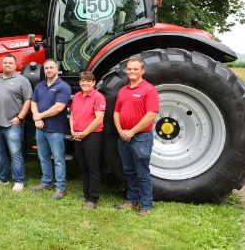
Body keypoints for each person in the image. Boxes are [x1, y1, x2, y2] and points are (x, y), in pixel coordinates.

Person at [113, 57, 159, 216]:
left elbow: (151, 115)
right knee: (129, 171)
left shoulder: (149, 89)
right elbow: (116, 112)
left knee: (142, 172)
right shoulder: (123, 90)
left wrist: (131, 132)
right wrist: (120, 130)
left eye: (135, 69)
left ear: (142, 71)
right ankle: (132, 201)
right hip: (123, 137)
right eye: (129, 69)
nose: (132, 72)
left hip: (140, 137)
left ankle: (146, 205)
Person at [0, 54, 32, 191]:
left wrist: (20, 117)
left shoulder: (22, 80)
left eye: (10, 63)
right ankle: (2, 178)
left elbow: (28, 100)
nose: (7, 65)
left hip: (12, 123)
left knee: (15, 152)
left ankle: (19, 181)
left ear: (15, 65)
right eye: (5, 62)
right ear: (2, 64)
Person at [29, 60, 71, 200]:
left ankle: (60, 188)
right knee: (43, 157)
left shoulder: (63, 87)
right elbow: (33, 102)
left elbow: (58, 107)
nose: (48, 70)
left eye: (51, 67)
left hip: (55, 129)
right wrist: (37, 118)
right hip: (40, 128)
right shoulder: (40, 86)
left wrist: (40, 115)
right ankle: (46, 183)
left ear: (57, 69)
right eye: (46, 68)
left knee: (58, 159)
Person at [70, 71, 106, 209]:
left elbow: (99, 119)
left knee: (93, 168)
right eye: (83, 80)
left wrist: (84, 133)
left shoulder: (98, 97)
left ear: (94, 83)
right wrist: (73, 129)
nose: (85, 83)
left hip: (91, 136)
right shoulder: (77, 97)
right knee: (83, 166)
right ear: (80, 82)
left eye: (88, 81)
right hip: (77, 135)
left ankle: (93, 199)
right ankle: (86, 194)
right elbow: (72, 114)